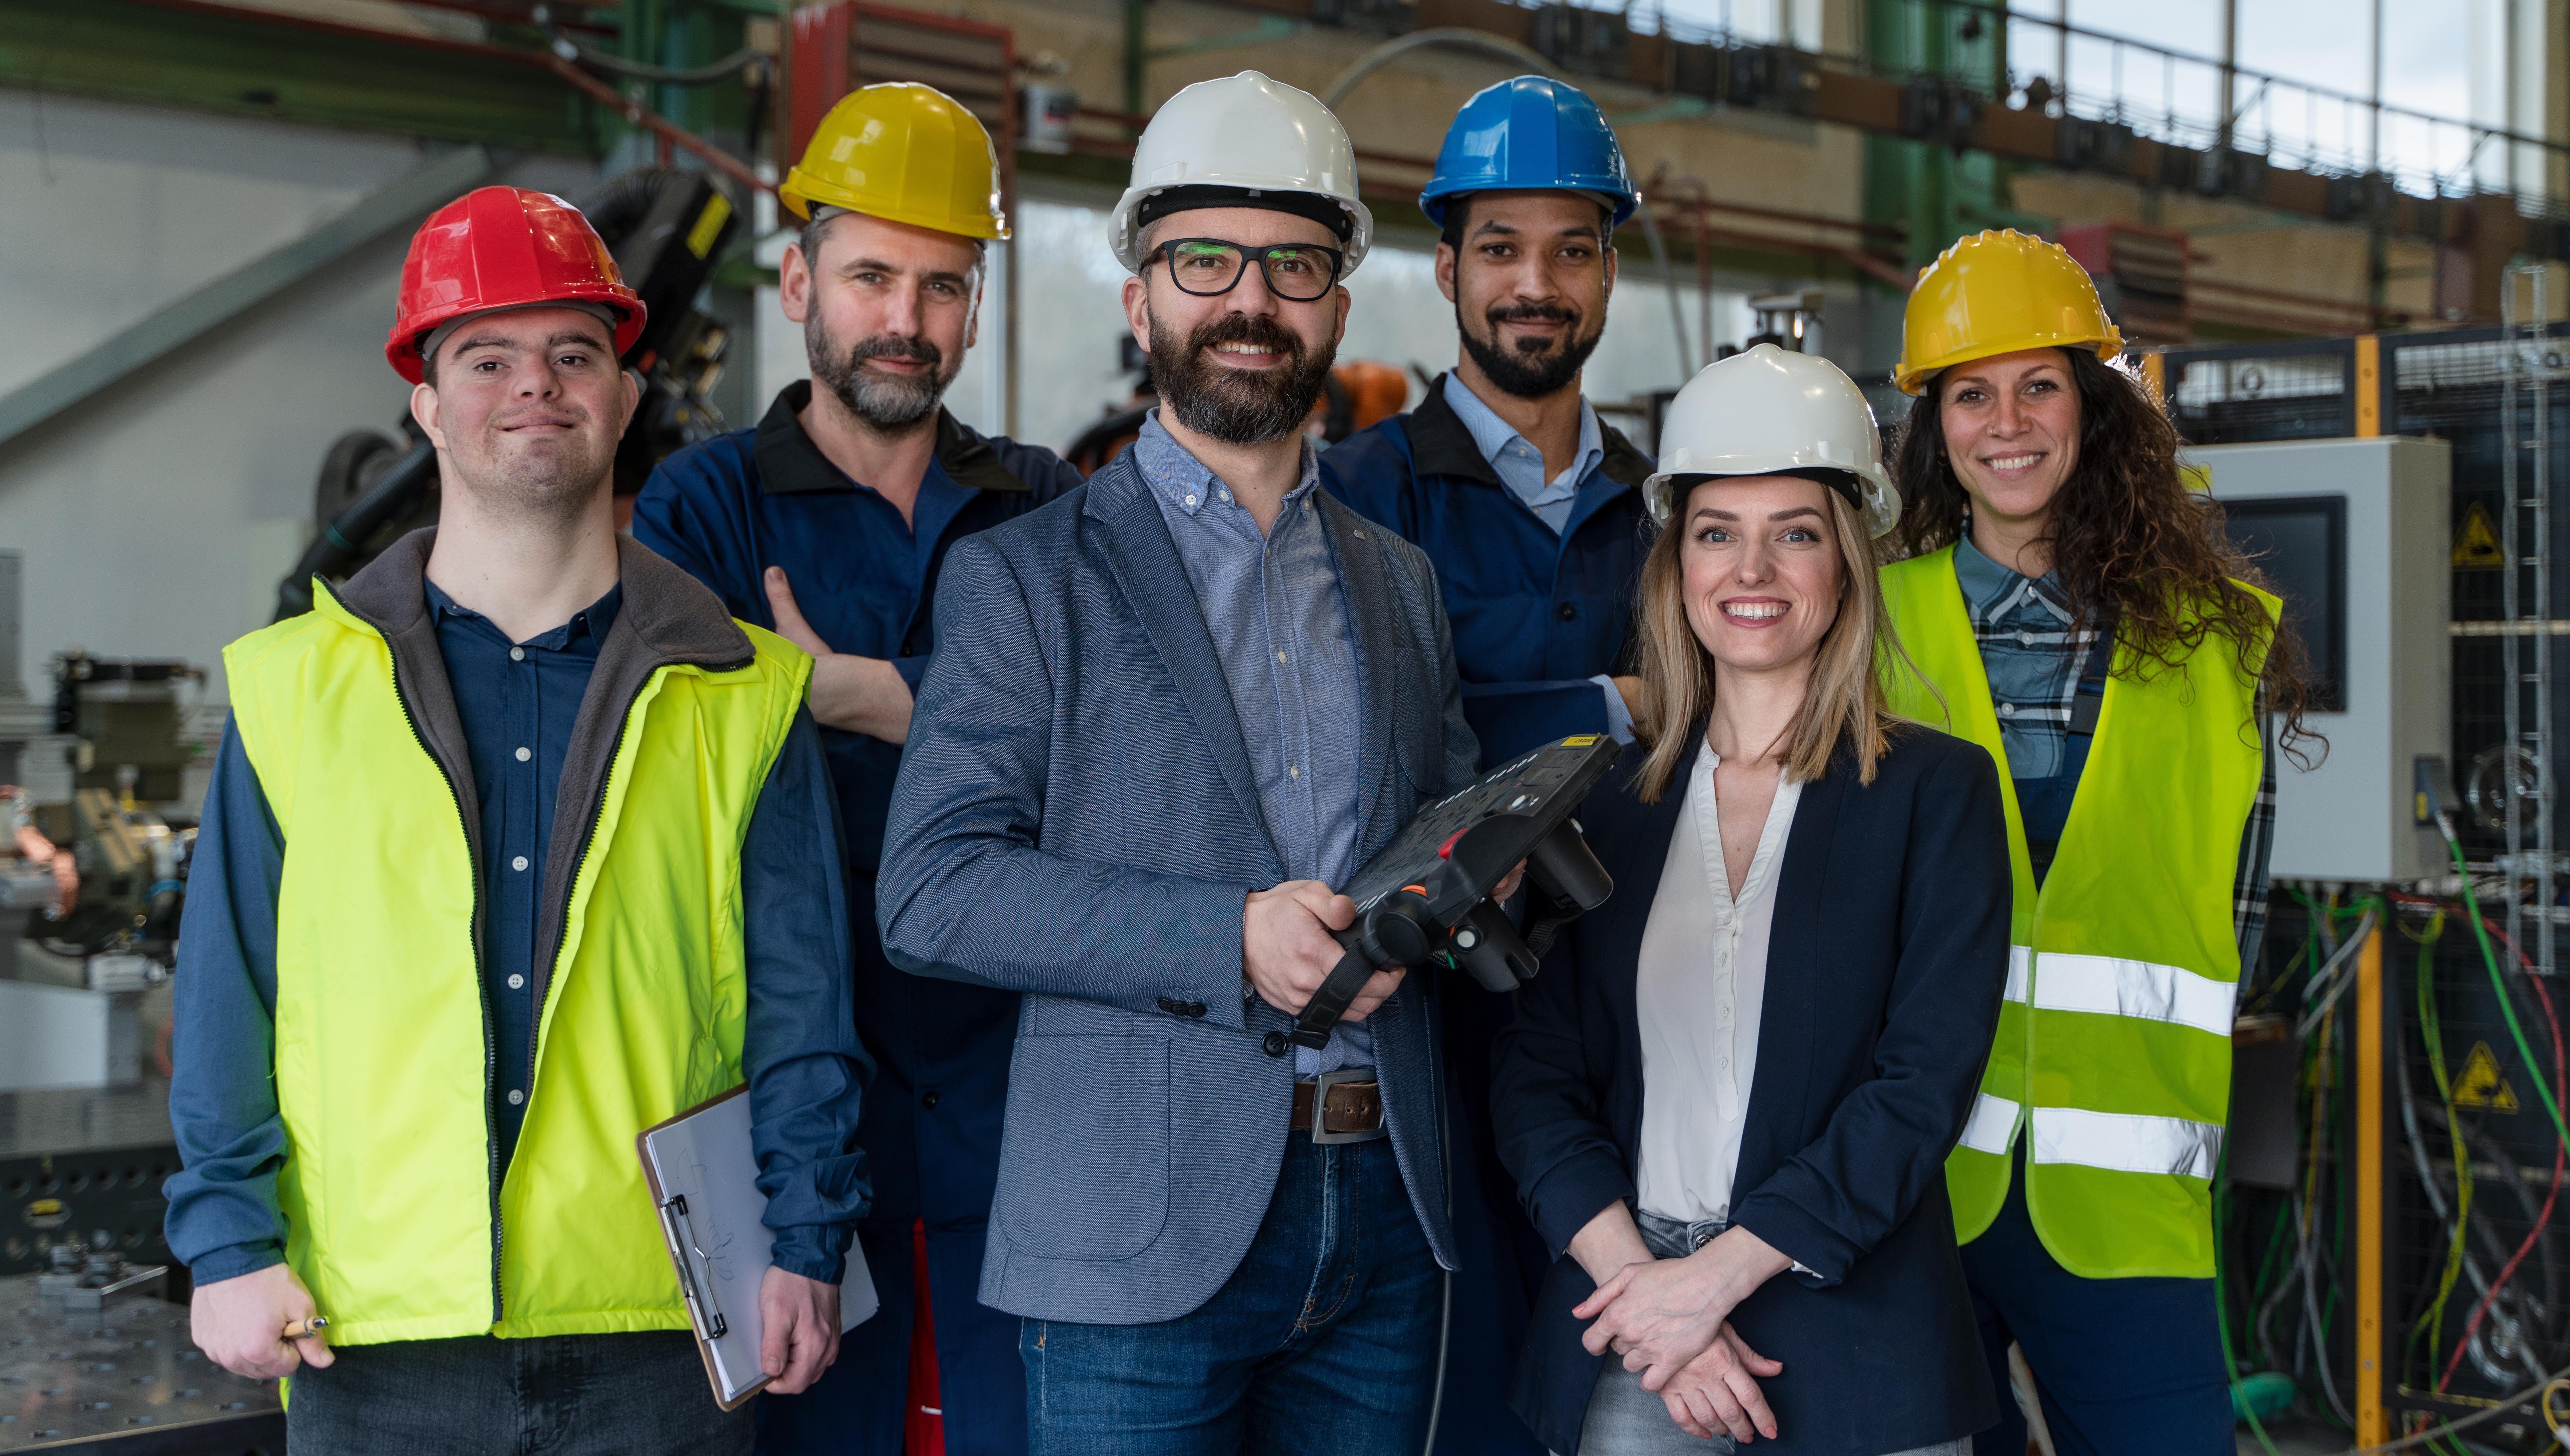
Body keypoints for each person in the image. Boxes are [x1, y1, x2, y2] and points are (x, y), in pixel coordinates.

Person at [161, 185, 869, 1454]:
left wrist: (808, 1238)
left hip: (660, 1327)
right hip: (374, 1333)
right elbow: (230, 995)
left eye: (573, 354)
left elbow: (802, 1003)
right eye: (485, 357)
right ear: (427, 404)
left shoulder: (743, 690)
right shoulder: (291, 687)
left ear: (626, 396)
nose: (533, 386)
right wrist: (227, 1241)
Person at [874, 71, 1492, 1453]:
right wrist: (1230, 938)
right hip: (1125, 1233)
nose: (1250, 301)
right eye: (1202, 260)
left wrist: (1457, 903)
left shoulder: (1399, 582)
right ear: (1139, 296)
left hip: (1384, 1212)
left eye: (1295, 264)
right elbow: (931, 892)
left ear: (1339, 298)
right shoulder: (1027, 581)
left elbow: (1442, 837)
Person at [630, 82, 1080, 1456]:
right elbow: (697, 777)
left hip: (1029, 1105)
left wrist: (867, 697)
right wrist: (983, 715)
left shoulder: (1046, 507)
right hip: (801, 1104)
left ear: (979, 306)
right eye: (873, 273)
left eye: (944, 284)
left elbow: (1111, 753)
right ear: (798, 278)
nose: (908, 316)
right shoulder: (702, 507)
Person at [1490, 344, 2011, 1455]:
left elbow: (1920, 1089)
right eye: (1717, 532)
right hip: (1631, 1316)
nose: (1752, 568)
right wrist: (1651, 1291)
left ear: (1846, 566)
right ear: (1677, 563)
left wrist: (1715, 1280)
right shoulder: (1600, 801)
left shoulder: (1936, 791)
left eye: (1797, 532)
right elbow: (1535, 1080)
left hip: (1856, 1321)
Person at [1876, 229, 2308, 1456]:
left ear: (2093, 407)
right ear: (1933, 425)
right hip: (1903, 1192)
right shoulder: (1861, 621)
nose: (2005, 422)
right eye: (1970, 392)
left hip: (2127, 1211)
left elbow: (2236, 918)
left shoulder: (2218, 643)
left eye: (2039, 385)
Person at [1318, 74, 1659, 1454]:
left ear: (1608, 272)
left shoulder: (1671, 506)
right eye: (1503, 250)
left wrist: (1519, 700)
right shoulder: (1360, 490)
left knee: (1618, 1378)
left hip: (1631, 1016)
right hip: (1432, 1031)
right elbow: (1377, 737)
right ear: (1447, 267)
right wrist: (1614, 703)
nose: (1538, 283)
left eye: (1572, 249)